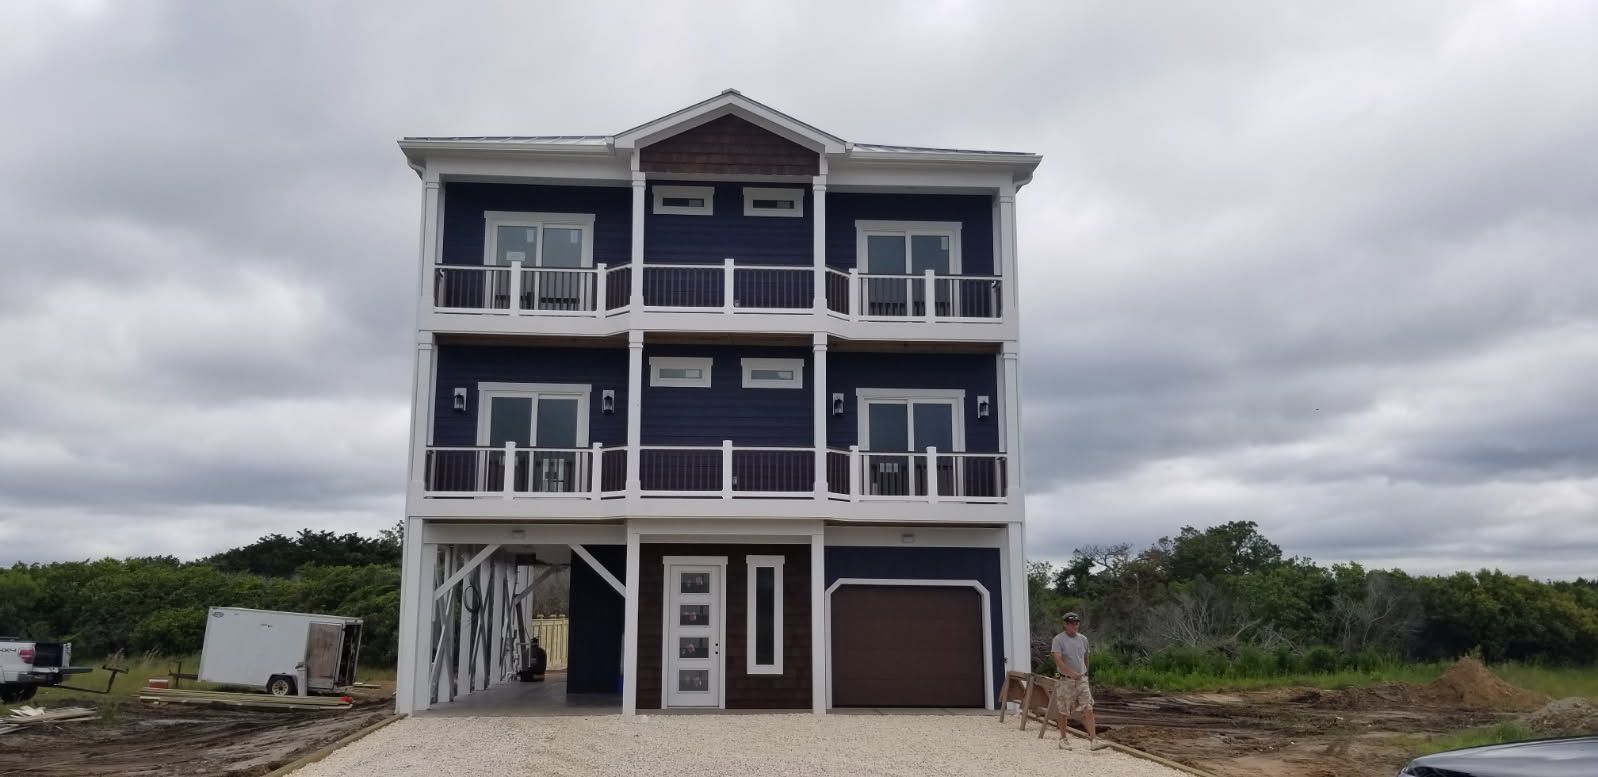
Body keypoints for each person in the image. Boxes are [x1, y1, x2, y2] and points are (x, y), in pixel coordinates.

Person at [1050, 612, 1106, 750]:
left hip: (1081, 679)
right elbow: (1057, 660)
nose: (1074, 626)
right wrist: (1070, 673)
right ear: (1065, 624)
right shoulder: (1058, 640)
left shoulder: (1083, 639)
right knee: (1064, 709)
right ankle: (1063, 738)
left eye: (1076, 623)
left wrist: (1084, 672)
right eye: (1071, 623)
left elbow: (1086, 657)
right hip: (1064, 679)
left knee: (1088, 707)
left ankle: (1093, 739)